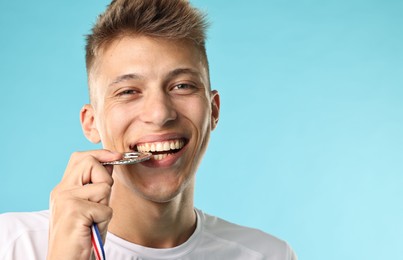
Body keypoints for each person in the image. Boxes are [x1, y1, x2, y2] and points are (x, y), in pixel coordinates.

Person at [0, 0, 297, 259]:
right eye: (129, 91)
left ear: (213, 110)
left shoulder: (269, 255)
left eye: (181, 86)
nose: (159, 114)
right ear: (91, 122)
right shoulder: (11, 244)